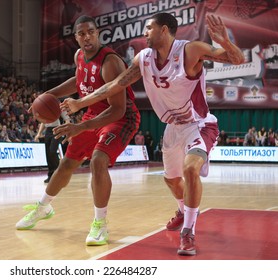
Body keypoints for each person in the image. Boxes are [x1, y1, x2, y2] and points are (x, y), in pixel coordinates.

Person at [59, 13, 244, 255]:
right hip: (172, 129)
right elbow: (115, 85)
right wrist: (81, 102)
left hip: (199, 125)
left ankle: (188, 232)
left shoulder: (190, 50)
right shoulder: (144, 58)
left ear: (164, 30)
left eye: (149, 28)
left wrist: (226, 43)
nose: (144, 32)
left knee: (190, 169)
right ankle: (183, 209)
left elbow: (237, 60)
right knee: (171, 180)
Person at [15, 15, 141, 246]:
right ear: (76, 37)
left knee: (98, 160)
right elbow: (78, 79)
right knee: (66, 164)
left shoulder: (111, 62)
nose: (86, 37)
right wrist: (48, 96)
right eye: (81, 34)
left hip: (120, 118)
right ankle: (43, 207)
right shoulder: (79, 56)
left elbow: (118, 109)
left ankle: (100, 224)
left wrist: (79, 126)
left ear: (97, 32)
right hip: (93, 113)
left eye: (90, 32)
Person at [35, 110, 71, 183]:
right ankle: (50, 175)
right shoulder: (45, 107)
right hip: (48, 131)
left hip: (57, 129)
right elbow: (43, 122)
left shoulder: (59, 107)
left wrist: (67, 131)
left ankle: (58, 174)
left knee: (52, 151)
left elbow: (67, 120)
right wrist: (39, 133)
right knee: (48, 153)